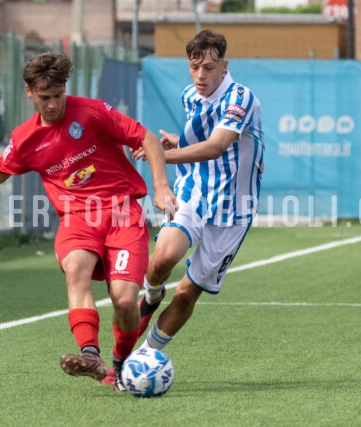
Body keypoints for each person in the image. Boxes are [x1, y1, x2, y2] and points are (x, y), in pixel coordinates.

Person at [0, 52, 176, 391]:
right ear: (29, 92)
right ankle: (90, 354)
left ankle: (119, 364)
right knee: (76, 271)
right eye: (45, 98)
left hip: (122, 213)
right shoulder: (26, 138)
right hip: (76, 217)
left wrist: (162, 189)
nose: (54, 104)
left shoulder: (91, 112)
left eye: (59, 95)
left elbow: (145, 137)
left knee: (125, 301)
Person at [132, 29, 265, 353]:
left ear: (224, 66)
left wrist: (160, 154)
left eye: (209, 67)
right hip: (195, 190)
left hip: (234, 210)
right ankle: (151, 294)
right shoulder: (189, 95)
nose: (201, 75)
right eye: (194, 67)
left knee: (187, 293)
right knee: (162, 258)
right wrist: (180, 141)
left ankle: (145, 357)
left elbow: (218, 145)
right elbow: (203, 137)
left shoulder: (240, 98)